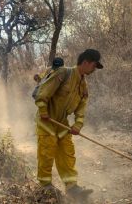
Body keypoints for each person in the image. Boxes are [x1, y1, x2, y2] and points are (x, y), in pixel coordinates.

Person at [33, 49, 103, 199]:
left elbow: (82, 106)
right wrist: (43, 109)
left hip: (62, 124)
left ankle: (72, 188)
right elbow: (43, 92)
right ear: (86, 62)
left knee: (67, 154)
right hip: (47, 121)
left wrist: (78, 124)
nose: (93, 70)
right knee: (47, 153)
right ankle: (45, 188)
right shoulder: (63, 73)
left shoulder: (83, 84)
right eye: (93, 66)